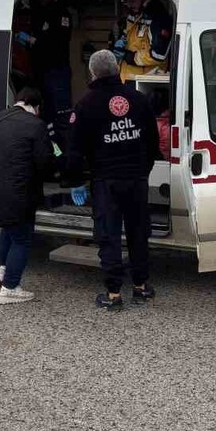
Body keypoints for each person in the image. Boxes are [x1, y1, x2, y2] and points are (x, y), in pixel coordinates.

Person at [64, 49, 162, 310]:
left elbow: (74, 150)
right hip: (137, 179)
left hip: (106, 181)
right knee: (138, 233)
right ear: (117, 70)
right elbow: (153, 142)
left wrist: (75, 180)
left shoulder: (85, 104)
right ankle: (141, 287)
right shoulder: (140, 100)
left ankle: (114, 294)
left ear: (92, 73)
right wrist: (144, 169)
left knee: (108, 235)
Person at [0, 88, 54, 305]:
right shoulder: (36, 125)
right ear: (36, 107)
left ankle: (3, 272)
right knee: (22, 239)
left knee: (8, 229)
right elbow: (44, 162)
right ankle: (10, 288)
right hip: (17, 195)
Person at [28, 0, 75, 142]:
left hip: (57, 70)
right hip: (40, 71)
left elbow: (58, 41)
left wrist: (36, 41)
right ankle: (50, 150)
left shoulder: (62, 13)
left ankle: (64, 154)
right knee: (44, 114)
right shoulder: (39, 10)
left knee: (61, 116)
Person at [110, 0, 168, 81]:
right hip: (126, 78)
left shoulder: (158, 20)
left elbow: (159, 55)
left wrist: (130, 57)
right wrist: (118, 48)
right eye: (126, 1)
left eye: (132, 0)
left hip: (147, 81)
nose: (129, 5)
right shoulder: (133, 16)